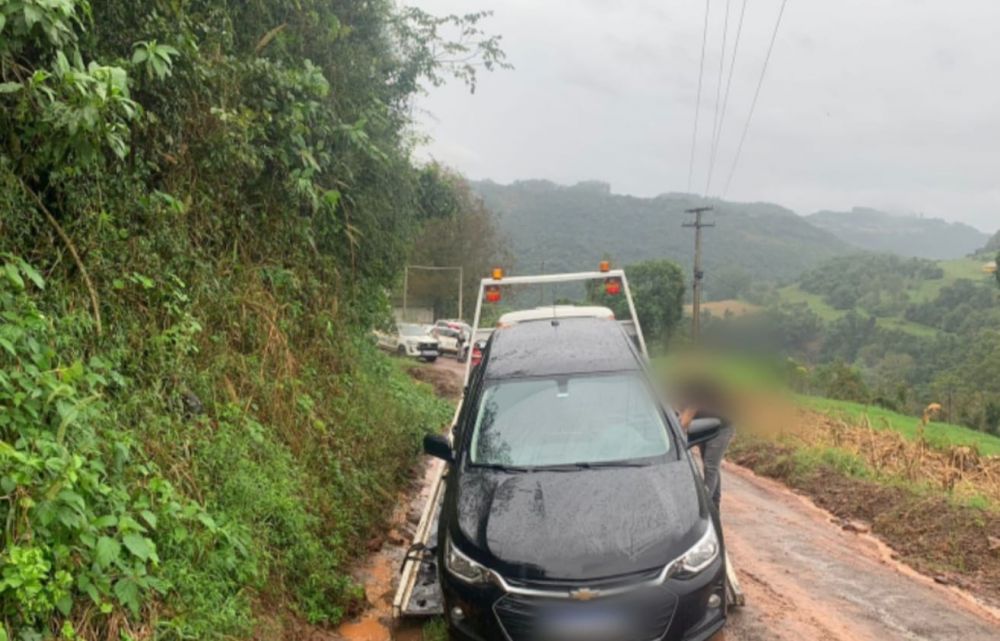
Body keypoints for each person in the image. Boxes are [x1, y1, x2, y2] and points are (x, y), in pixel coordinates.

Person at [678, 376, 735, 514]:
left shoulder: (693, 391)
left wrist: (677, 436)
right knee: (711, 465)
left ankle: (704, 507)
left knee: (710, 466)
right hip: (705, 424)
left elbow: (685, 419)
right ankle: (714, 504)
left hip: (721, 428)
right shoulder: (685, 388)